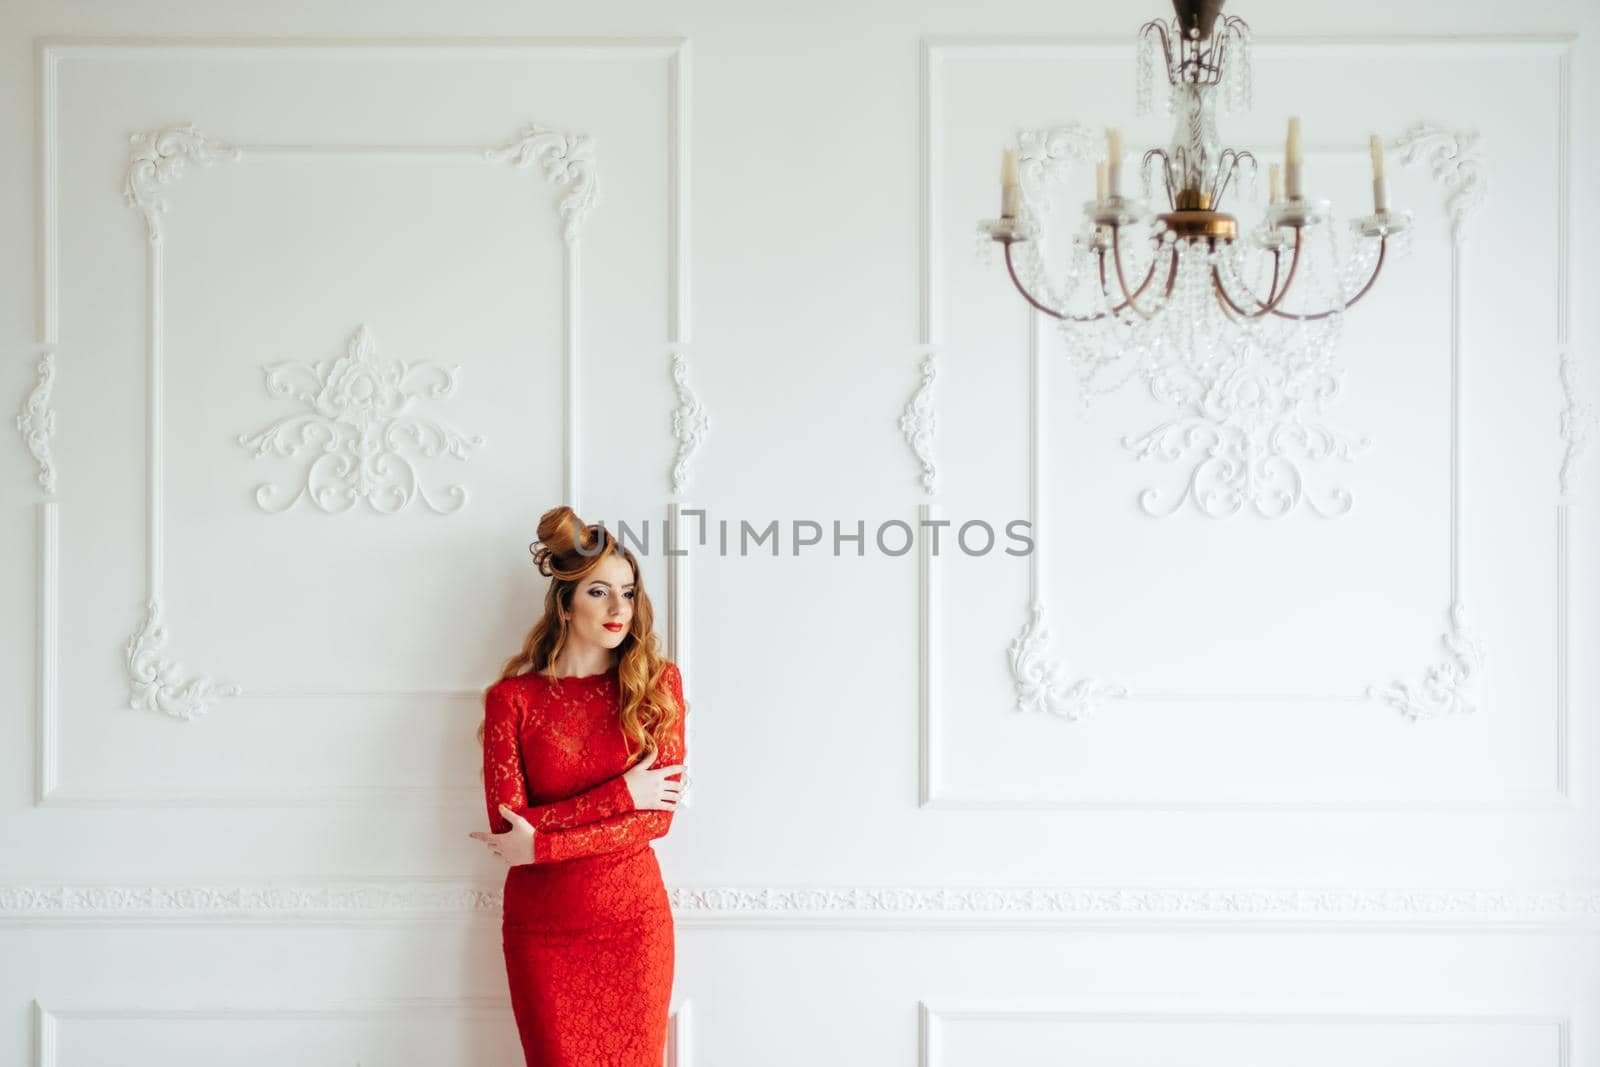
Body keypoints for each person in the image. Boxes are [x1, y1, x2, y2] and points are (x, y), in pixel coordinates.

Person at [470, 504, 689, 1066]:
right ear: (565, 605)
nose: (620, 607)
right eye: (599, 592)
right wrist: (620, 795)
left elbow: (655, 820)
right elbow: (506, 826)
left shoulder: (658, 684)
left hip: (632, 927)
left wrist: (542, 844)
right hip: (542, 933)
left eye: (629, 590)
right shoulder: (512, 700)